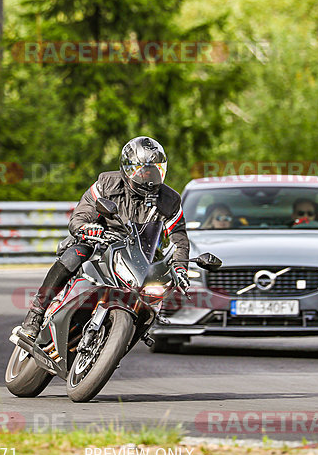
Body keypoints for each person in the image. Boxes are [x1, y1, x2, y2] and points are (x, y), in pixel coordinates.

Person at [19, 136, 191, 339]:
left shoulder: (170, 201)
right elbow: (81, 214)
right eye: (143, 170)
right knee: (74, 255)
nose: (148, 177)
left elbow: (178, 237)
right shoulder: (107, 183)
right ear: (128, 168)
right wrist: (86, 228)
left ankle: (123, 339)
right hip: (100, 244)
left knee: (155, 294)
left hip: (139, 257)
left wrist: (180, 267)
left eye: (154, 170)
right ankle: (36, 313)